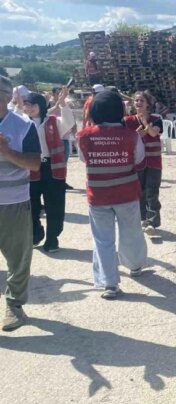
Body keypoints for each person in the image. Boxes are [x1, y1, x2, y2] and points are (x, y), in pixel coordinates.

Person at [76, 90, 148, 300]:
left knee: (103, 240)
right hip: (127, 194)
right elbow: (140, 161)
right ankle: (134, 266)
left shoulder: (84, 136)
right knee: (131, 232)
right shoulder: (131, 135)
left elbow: (83, 159)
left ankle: (109, 283)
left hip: (98, 197)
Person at [0, 75, 41, 330]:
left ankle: (14, 305)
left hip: (13, 203)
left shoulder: (23, 126)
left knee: (18, 258)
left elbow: (35, 164)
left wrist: (6, 152)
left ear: (5, 98)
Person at [22, 89, 75, 252]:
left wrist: (63, 102)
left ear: (41, 106)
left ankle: (52, 238)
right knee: (31, 205)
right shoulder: (22, 122)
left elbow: (69, 122)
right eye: (26, 105)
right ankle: (36, 233)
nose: (29, 108)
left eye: (32, 105)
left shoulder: (53, 121)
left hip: (51, 168)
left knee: (55, 205)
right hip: (30, 168)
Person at [124, 91, 164, 237]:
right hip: (136, 162)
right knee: (138, 191)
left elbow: (154, 133)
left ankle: (152, 221)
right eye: (136, 100)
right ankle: (142, 220)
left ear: (148, 104)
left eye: (141, 100)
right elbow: (126, 139)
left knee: (152, 191)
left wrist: (146, 124)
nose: (138, 103)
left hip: (154, 162)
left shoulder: (156, 118)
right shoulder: (127, 121)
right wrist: (136, 134)